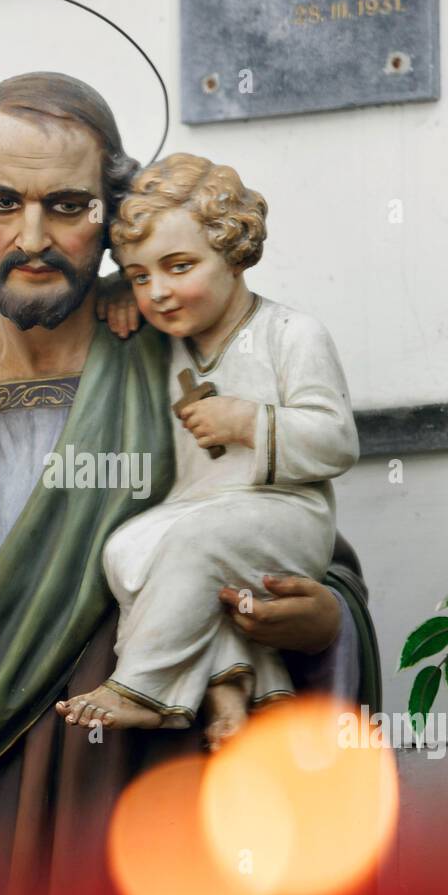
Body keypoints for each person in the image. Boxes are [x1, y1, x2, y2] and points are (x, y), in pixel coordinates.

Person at [0, 72, 381, 895]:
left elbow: (296, 539)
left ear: (111, 219)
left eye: (68, 206)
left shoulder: (178, 363)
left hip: (153, 810)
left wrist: (322, 622)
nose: (32, 238)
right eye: (3, 201)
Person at [57, 154, 359, 747]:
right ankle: (238, 687)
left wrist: (249, 421)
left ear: (234, 251)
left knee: (194, 546)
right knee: (126, 548)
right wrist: (120, 289)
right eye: (142, 277)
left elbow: (336, 441)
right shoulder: (165, 348)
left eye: (178, 266)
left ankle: (143, 688)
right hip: (202, 508)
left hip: (286, 516)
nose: (160, 292)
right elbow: (102, 297)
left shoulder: (290, 335)